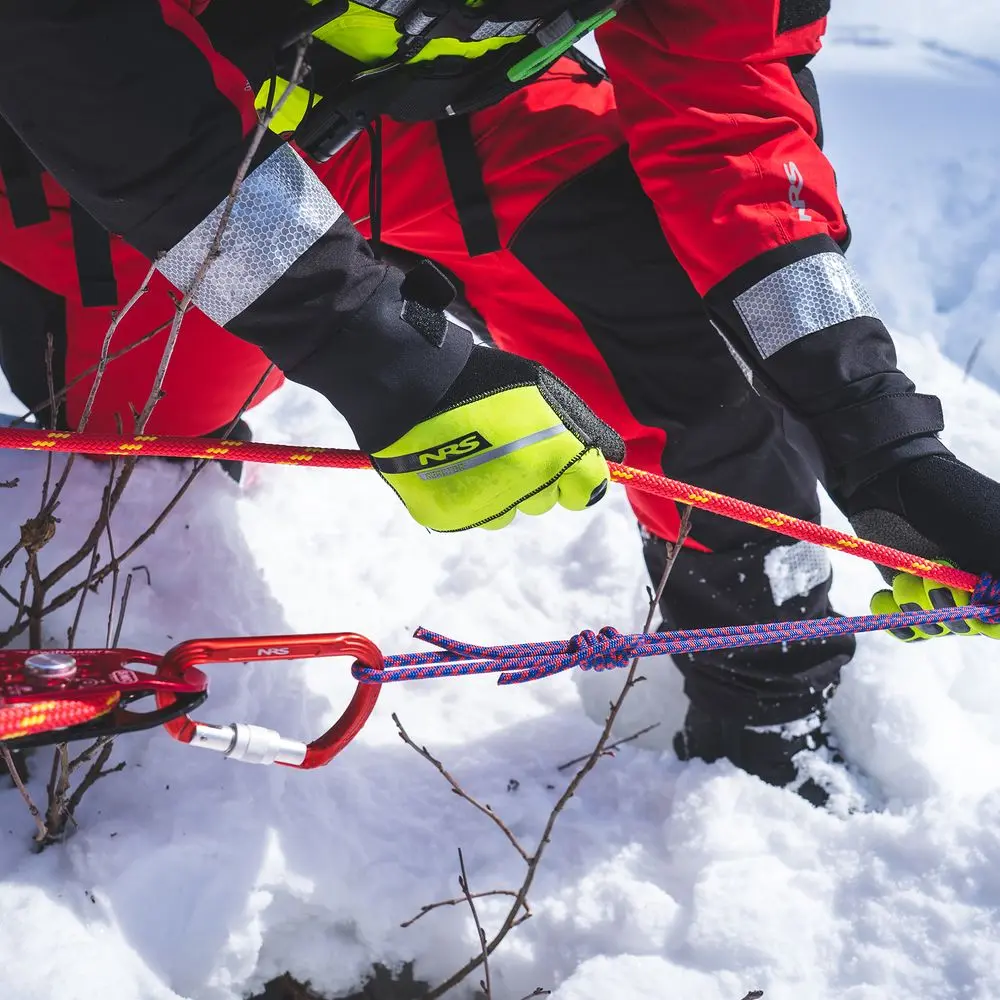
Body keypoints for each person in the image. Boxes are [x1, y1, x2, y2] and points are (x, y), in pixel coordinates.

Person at [0, 0, 997, 805]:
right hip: (157, 107)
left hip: (449, 108)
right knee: (133, 441)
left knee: (704, 373)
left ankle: (766, 709)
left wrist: (877, 433)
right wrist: (357, 338)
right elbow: (65, 34)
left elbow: (727, 99)